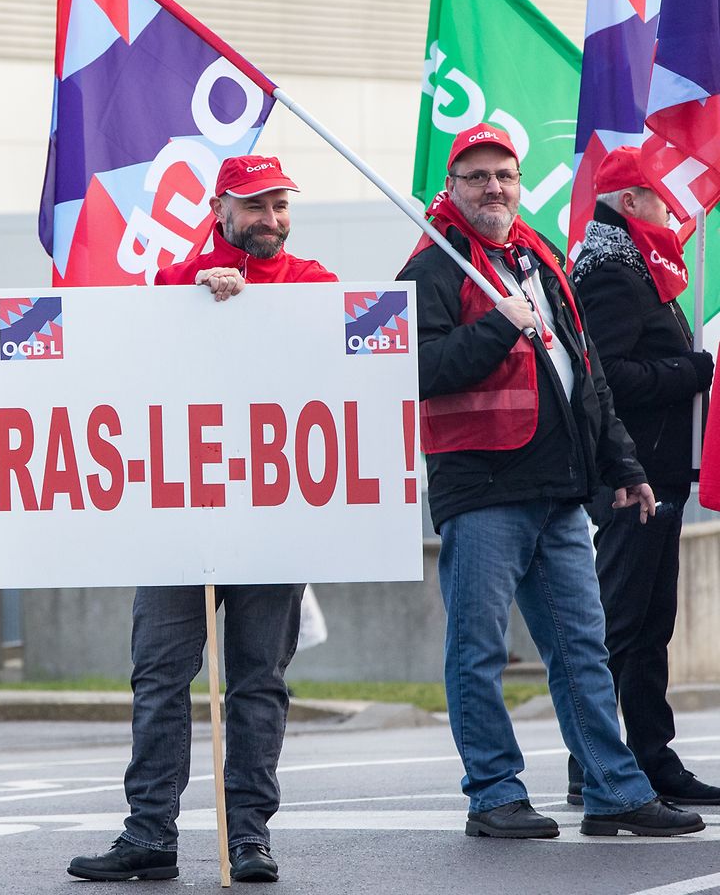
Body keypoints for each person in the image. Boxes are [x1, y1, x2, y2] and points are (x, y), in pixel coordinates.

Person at [395, 122, 704, 839]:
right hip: (482, 490)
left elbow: (584, 371)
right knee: (479, 652)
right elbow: (416, 370)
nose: (493, 188)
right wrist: (499, 327)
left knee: (582, 650)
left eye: (504, 174)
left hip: (559, 488)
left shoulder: (540, 257)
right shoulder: (433, 268)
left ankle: (614, 790)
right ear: (451, 187)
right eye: (476, 177)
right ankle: (495, 795)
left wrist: (622, 467)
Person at [67, 154, 338, 883]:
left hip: (272, 517)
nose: (271, 220)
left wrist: (249, 304)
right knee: (159, 678)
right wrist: (194, 292)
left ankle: (248, 837)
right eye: (255, 206)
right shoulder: (170, 281)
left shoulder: (313, 284)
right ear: (218, 209)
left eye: (281, 205)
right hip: (179, 521)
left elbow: (340, 356)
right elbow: (131, 339)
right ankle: (149, 836)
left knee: (259, 683)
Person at [567, 145, 719, 806]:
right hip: (634, 477)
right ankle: (597, 763)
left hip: (657, 473)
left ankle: (649, 759)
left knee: (648, 622)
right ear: (628, 203)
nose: (672, 211)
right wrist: (692, 370)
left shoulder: (641, 270)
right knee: (623, 623)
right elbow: (606, 377)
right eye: (660, 198)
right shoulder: (612, 274)